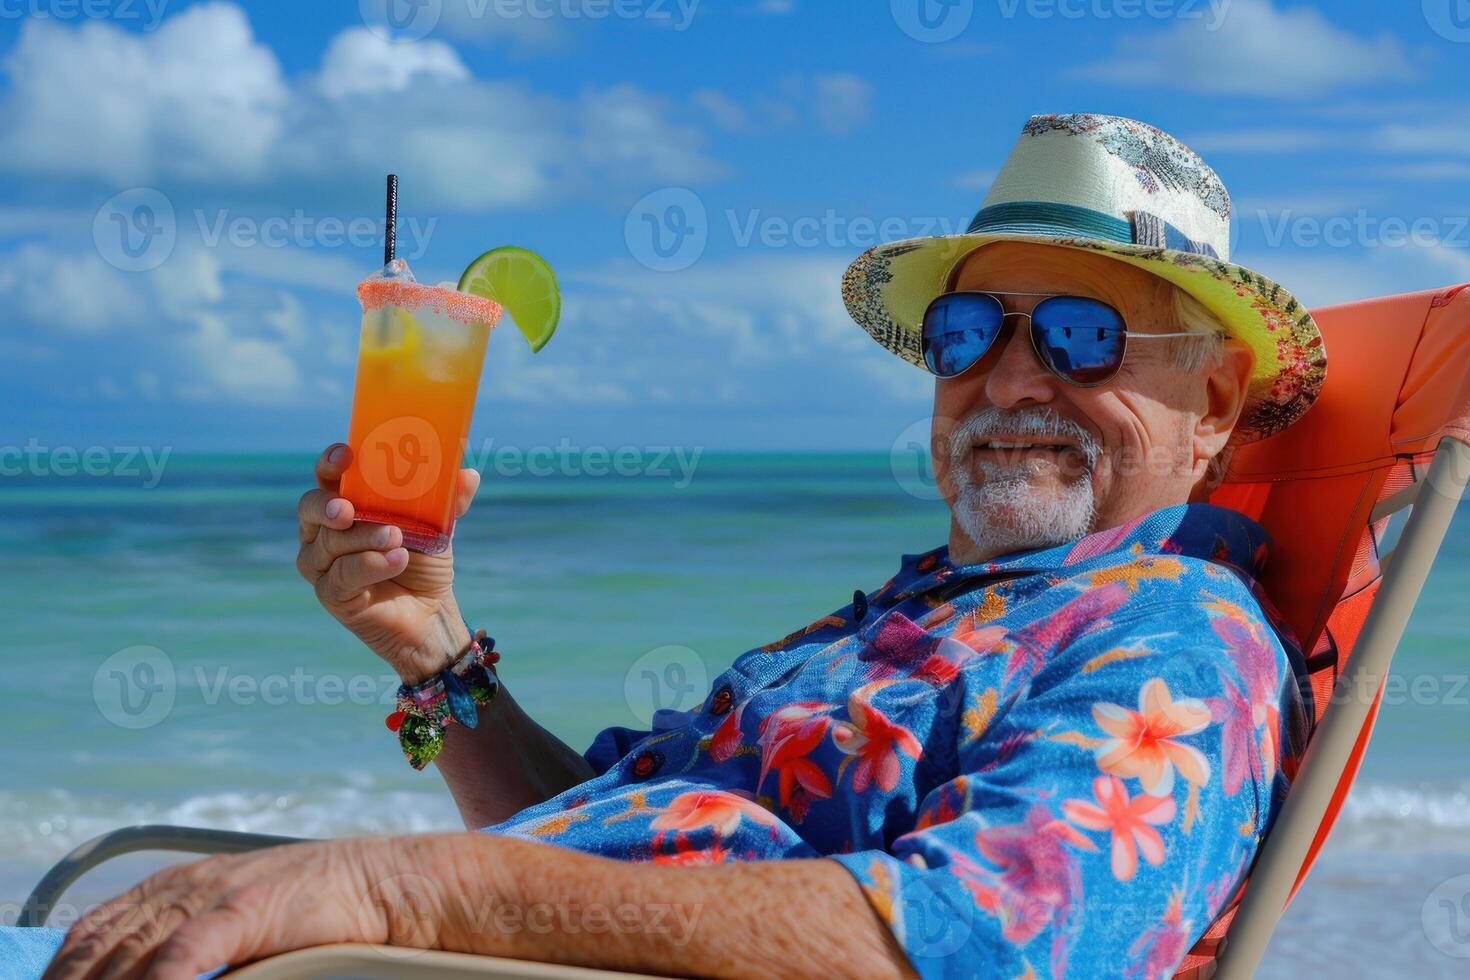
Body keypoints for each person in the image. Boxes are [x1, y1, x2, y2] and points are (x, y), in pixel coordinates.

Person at [36, 113, 1322, 979]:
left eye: (1085, 335)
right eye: (969, 330)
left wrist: (393, 889)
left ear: (1209, 403)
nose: (1009, 381)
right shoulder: (928, 613)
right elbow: (594, 832)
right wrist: (432, 651)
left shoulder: (1175, 645)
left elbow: (961, 942)